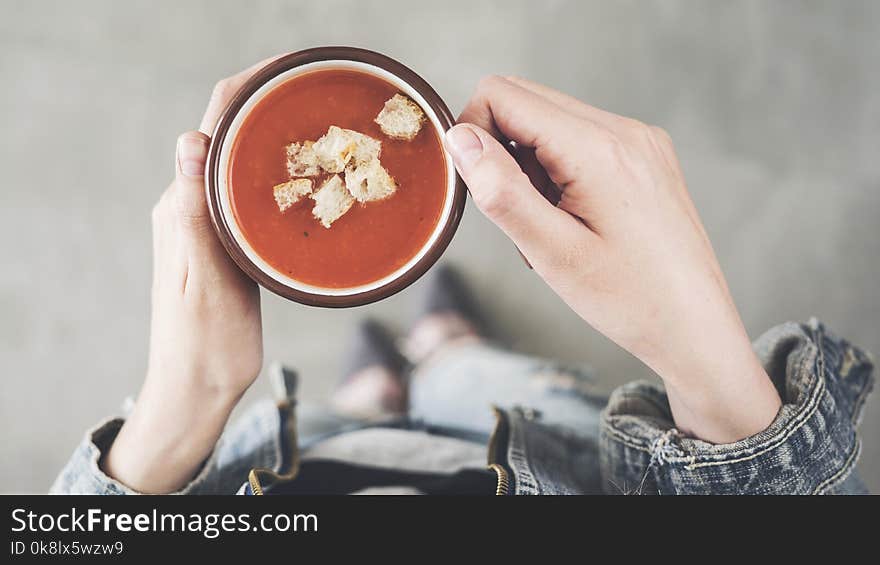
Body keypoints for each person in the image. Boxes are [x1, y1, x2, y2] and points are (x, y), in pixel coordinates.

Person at [52, 57, 874, 495]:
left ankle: (376, 395)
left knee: (352, 412)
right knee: (474, 377)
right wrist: (711, 368)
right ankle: (446, 353)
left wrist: (180, 409)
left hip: (295, 456)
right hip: (541, 435)